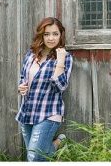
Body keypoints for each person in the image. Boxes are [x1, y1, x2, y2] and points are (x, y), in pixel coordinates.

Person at [17, 17, 72, 162]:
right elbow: (23, 76)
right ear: (41, 35)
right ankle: (56, 144)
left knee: (34, 157)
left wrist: (59, 62)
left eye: (55, 34)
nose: (51, 38)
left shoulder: (65, 58)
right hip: (27, 111)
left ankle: (55, 145)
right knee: (35, 156)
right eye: (47, 34)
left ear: (61, 35)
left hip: (49, 112)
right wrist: (21, 86)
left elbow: (61, 86)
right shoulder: (31, 54)